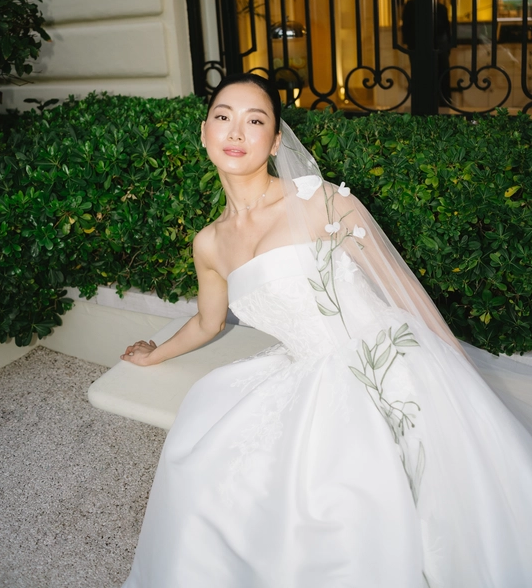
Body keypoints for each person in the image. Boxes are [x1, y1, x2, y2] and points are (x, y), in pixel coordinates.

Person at [121, 73, 532, 588]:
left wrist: (455, 368)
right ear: (205, 132)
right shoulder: (210, 243)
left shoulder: (321, 202)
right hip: (305, 374)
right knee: (205, 460)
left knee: (373, 502)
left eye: (256, 121)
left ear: (274, 142)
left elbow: (400, 289)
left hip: (387, 361)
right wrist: (154, 354)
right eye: (224, 117)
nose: (237, 132)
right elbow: (208, 321)